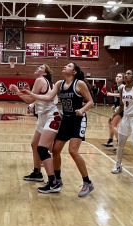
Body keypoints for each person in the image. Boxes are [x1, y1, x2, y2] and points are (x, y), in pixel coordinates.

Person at [18, 63, 95, 197]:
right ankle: (57, 179)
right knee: (55, 150)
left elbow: (90, 102)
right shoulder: (60, 83)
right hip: (66, 119)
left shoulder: (79, 84)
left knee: (72, 151)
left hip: (78, 120)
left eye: (69, 66)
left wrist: (82, 110)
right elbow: (48, 97)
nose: (65, 66)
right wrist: (31, 95)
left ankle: (87, 182)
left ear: (74, 72)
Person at [14, 64, 60, 183]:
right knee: (35, 145)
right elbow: (32, 99)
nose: (37, 68)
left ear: (45, 73)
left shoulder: (40, 80)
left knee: (42, 148)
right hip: (42, 117)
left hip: (51, 116)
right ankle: (37, 172)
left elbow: (30, 99)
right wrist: (26, 93)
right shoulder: (42, 81)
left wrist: (16, 91)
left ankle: (53, 180)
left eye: (41, 67)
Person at [103, 73, 124, 147]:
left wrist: (111, 94)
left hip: (121, 108)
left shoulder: (122, 86)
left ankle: (120, 143)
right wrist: (115, 106)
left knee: (113, 125)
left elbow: (122, 95)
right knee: (110, 124)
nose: (118, 78)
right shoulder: (117, 86)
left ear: (123, 79)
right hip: (117, 107)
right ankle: (110, 141)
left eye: (120, 77)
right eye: (117, 76)